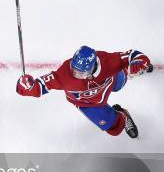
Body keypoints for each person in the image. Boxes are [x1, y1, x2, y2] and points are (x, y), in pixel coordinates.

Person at [16, 46, 152, 138]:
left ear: (93, 67)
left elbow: (131, 55)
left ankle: (134, 70)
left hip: (109, 83)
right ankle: (123, 115)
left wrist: (139, 61)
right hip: (88, 103)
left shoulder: (107, 62)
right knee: (114, 129)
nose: (76, 74)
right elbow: (40, 87)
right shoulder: (64, 74)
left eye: (82, 72)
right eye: (74, 69)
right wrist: (27, 87)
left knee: (121, 80)